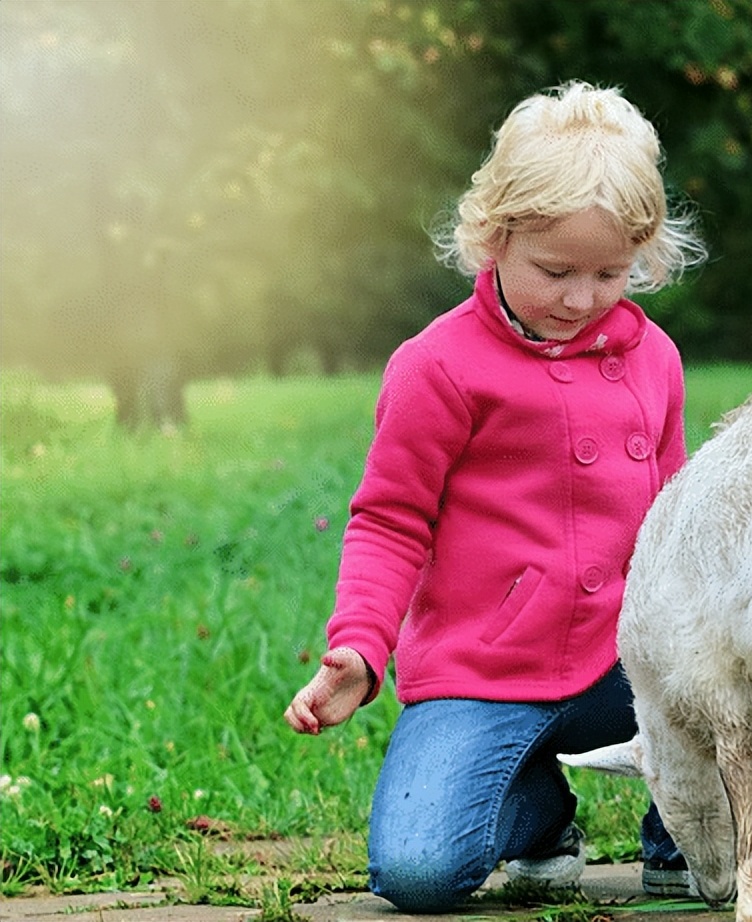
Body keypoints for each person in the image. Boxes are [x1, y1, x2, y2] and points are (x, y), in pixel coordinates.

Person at [284, 81, 706, 913]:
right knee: (417, 875)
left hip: (631, 662)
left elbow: (678, 522)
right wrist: (362, 648)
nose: (581, 299)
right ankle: (538, 816)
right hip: (488, 669)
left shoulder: (655, 359)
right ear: (494, 236)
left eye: (610, 273)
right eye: (555, 271)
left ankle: (683, 835)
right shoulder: (436, 366)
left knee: (731, 684)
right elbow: (389, 520)